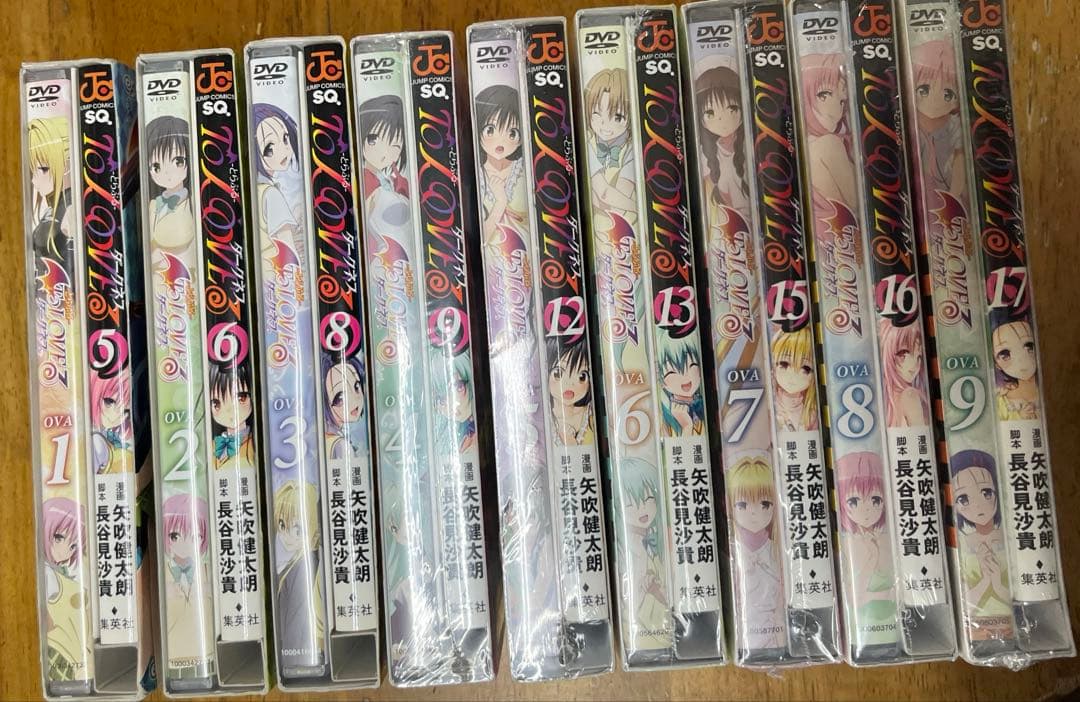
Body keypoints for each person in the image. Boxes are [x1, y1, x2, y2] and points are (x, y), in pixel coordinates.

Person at [836, 452, 896, 644]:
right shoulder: (848, 543)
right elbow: (855, 594)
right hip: (861, 622)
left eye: (875, 500)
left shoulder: (887, 538)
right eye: (853, 501)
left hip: (893, 620)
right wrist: (872, 557)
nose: (866, 509)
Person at [950, 450, 1011, 637]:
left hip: (1012, 626)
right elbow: (962, 604)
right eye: (963, 499)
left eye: (986, 492)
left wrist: (998, 586)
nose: (977, 505)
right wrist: (985, 582)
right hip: (973, 630)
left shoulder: (1009, 538)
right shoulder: (962, 544)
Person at [727, 455, 784, 650]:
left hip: (776, 637)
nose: (754, 512)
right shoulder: (733, 550)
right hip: (743, 636)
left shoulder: (776, 550)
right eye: (742, 505)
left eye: (764, 504)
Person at [274, 480, 325, 660]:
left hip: (298, 655)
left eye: (297, 529)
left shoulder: (305, 565)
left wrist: (292, 658)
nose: (286, 536)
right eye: (282, 525)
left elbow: (297, 625)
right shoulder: (296, 563)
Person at [161, 493, 212, 665]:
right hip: (172, 651)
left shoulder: (207, 570)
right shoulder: (163, 571)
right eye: (174, 536)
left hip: (205, 651)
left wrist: (206, 589)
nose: (184, 544)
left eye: (195, 536)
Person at [584, 68, 637, 231]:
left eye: (617, 117)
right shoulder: (587, 144)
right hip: (594, 226)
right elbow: (605, 195)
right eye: (596, 113)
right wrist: (637, 206)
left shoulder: (631, 148)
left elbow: (621, 193)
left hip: (626, 226)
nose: (604, 124)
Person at [41, 497, 89, 681]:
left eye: (73, 546)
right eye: (59, 538)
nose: (66, 551)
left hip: (76, 656)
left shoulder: (58, 573)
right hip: (60, 653)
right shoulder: (47, 574)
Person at [878, 318, 930, 427]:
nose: (915, 365)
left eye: (919, 357)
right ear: (888, 353)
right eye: (904, 354)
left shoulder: (884, 400)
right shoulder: (910, 395)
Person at [546, 338, 594, 445]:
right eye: (558, 373)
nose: (569, 384)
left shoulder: (591, 413)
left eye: (582, 376)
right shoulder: (542, 417)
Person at [770, 328, 819, 432]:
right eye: (784, 364)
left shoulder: (811, 414)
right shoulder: (770, 402)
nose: (792, 376)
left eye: (805, 368)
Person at [209, 363, 255, 471]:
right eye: (216, 404)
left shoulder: (252, 444)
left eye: (241, 398)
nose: (229, 411)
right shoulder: (213, 445)